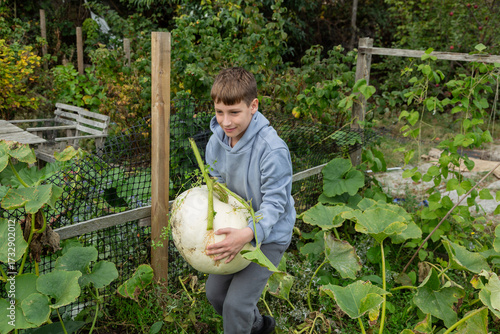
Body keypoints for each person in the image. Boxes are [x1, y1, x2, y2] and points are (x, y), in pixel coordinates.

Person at [204, 67, 296, 334]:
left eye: (234, 112)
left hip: (269, 235)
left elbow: (275, 205)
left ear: (253, 106)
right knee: (215, 295)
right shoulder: (215, 142)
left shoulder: (272, 149)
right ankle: (259, 327)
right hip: (236, 229)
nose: (226, 121)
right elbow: (216, 186)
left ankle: (244, 323)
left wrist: (248, 233)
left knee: (236, 305)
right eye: (220, 112)